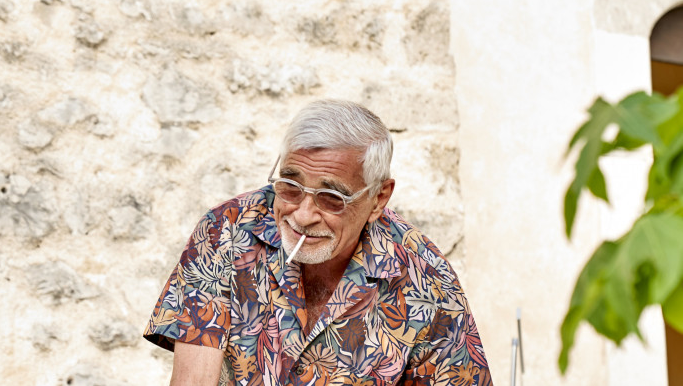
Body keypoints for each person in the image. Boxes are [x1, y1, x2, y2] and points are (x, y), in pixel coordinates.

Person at [143, 99, 492, 386]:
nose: (303, 215)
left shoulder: (426, 279)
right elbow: (194, 379)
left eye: (331, 197)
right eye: (290, 187)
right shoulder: (226, 232)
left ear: (378, 198)